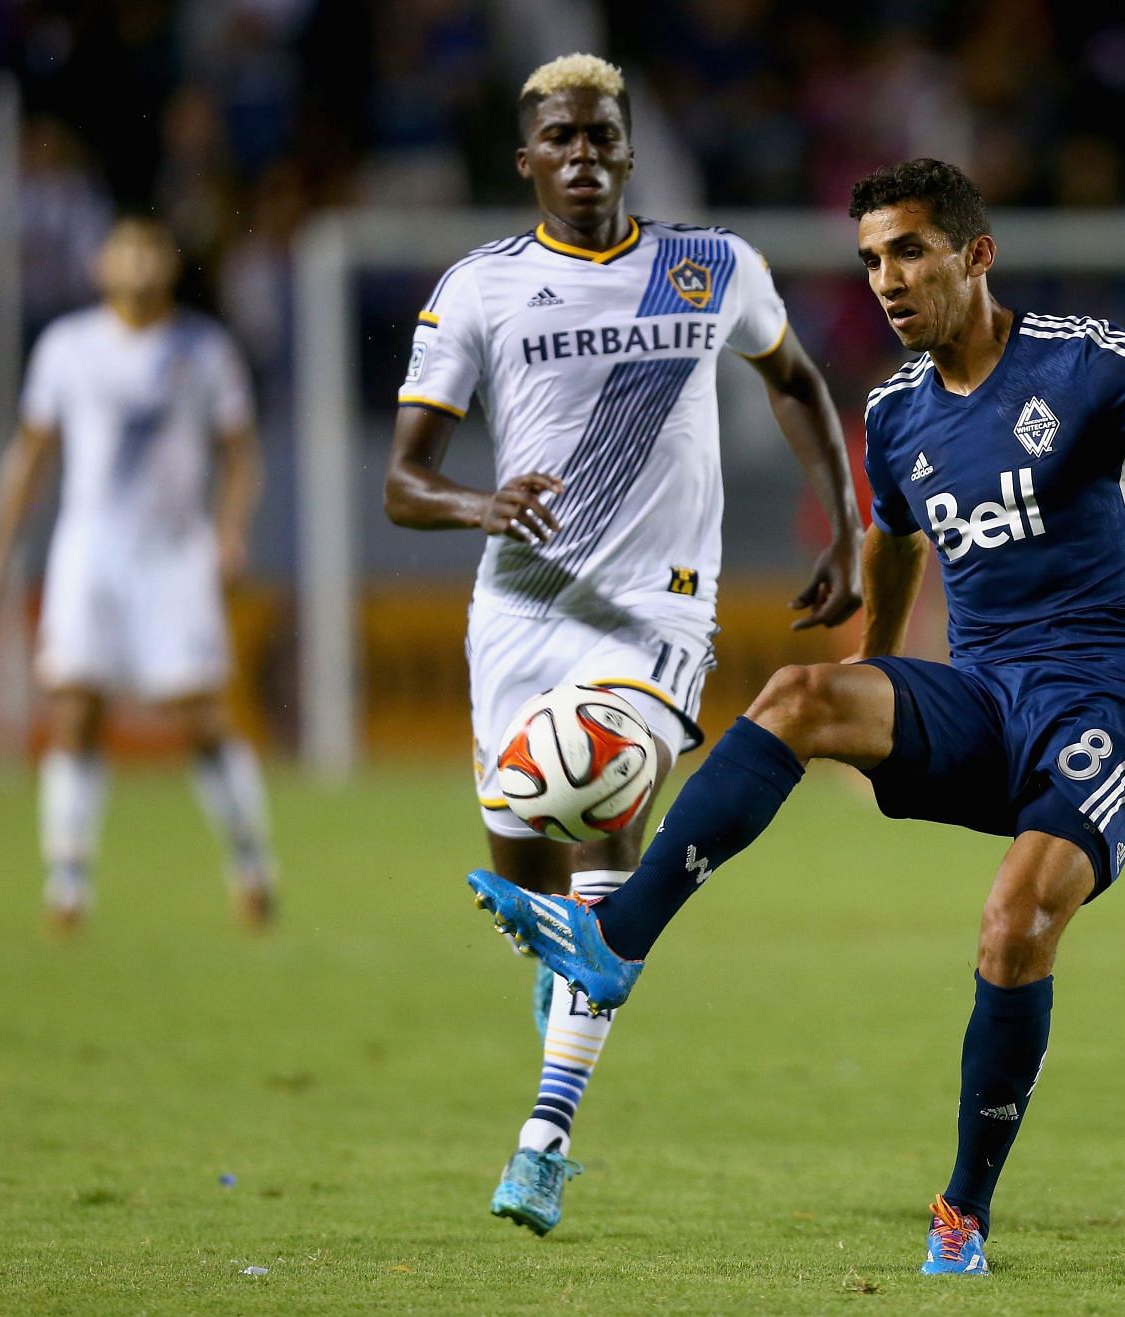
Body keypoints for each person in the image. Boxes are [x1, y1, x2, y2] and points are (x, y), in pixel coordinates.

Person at [463, 158, 1125, 1274]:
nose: (886, 279)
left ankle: (963, 1208)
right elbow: (896, 538)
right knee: (801, 693)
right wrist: (874, 697)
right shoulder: (897, 412)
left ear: (976, 255)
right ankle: (614, 944)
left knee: (1015, 925)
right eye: (871, 259)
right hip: (984, 696)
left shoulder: (1080, 360)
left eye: (910, 251)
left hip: (1112, 694)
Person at [382, 53, 862, 1237]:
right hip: (517, 613)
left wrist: (845, 528)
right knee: (530, 865)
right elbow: (403, 482)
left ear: (629, 149)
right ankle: (568, 955)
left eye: (603, 135)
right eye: (561, 138)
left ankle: (543, 1143)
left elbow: (794, 380)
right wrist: (476, 505)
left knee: (598, 789)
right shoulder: (480, 289)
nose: (584, 155)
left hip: (656, 615)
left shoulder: (710, 267)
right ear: (527, 160)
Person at [0, 216, 275, 931]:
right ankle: (68, 882)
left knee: (202, 714)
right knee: (75, 708)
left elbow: (241, 454)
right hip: (91, 550)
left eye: (148, 250)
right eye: (122, 251)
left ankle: (252, 863)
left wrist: (231, 533)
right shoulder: (67, 346)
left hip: (174, 551)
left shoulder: (204, 348)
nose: (135, 264)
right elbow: (32, 453)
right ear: (101, 265)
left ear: (168, 263)